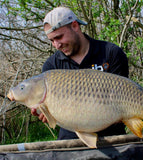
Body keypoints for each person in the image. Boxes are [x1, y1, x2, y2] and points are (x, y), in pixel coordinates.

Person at [31, 7, 129, 140]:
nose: (56, 45)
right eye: (52, 40)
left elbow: (125, 101)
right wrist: (48, 113)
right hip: (70, 142)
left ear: (75, 26)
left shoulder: (111, 53)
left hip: (113, 140)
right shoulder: (52, 66)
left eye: (59, 37)